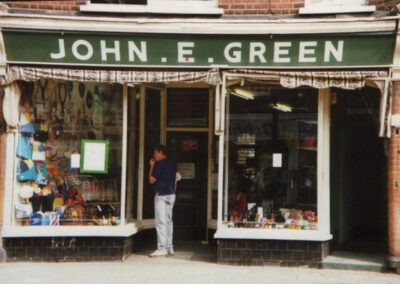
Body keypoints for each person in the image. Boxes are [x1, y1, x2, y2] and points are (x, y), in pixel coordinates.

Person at [148, 145, 177, 257]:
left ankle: (162, 248)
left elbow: (151, 180)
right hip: (171, 194)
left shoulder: (159, 165)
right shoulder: (172, 164)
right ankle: (170, 247)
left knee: (161, 222)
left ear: (161, 152)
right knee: (169, 221)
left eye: (155, 153)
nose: (154, 155)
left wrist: (151, 166)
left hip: (161, 195)